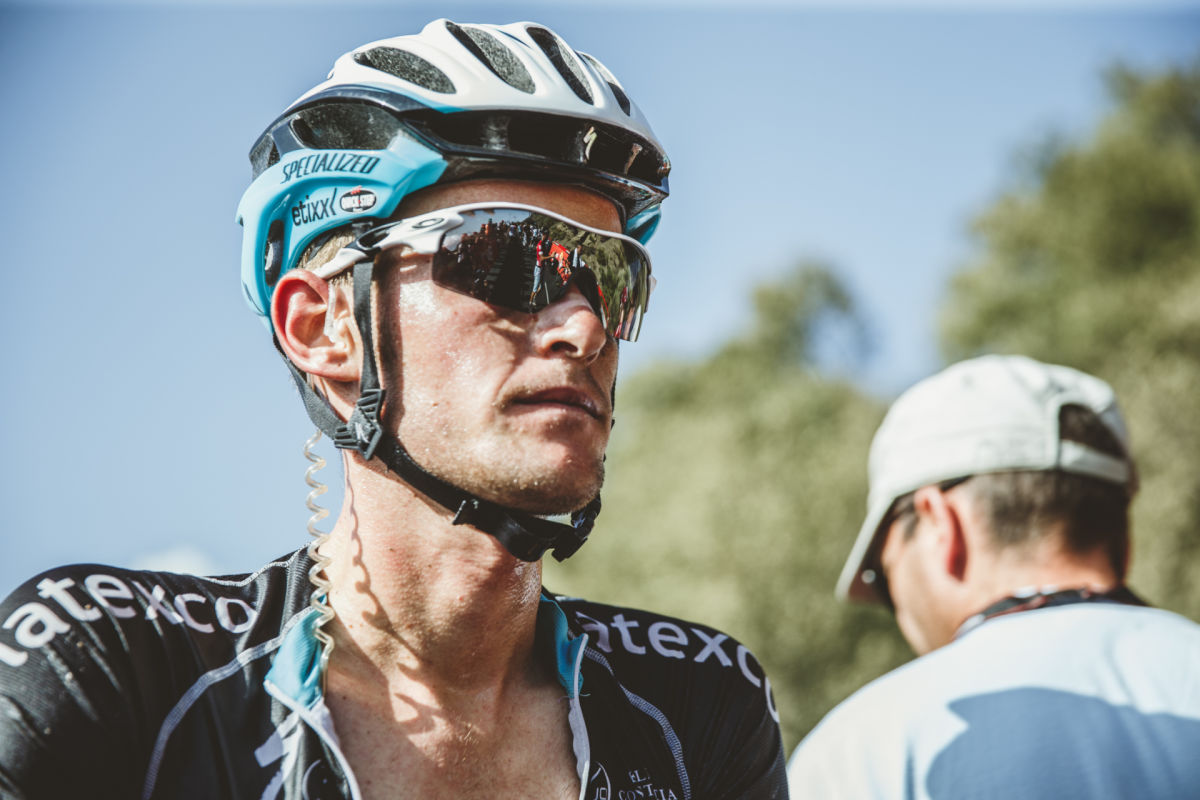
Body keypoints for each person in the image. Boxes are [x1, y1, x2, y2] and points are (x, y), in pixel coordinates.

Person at [0, 20, 787, 800]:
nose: (584, 328)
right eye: (507, 257)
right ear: (322, 329)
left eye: (612, 278)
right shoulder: (109, 669)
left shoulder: (700, 705)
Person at [787, 354, 1200, 799]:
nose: (896, 614)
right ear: (1124, 539)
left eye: (881, 578)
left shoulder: (855, 756)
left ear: (941, 524)